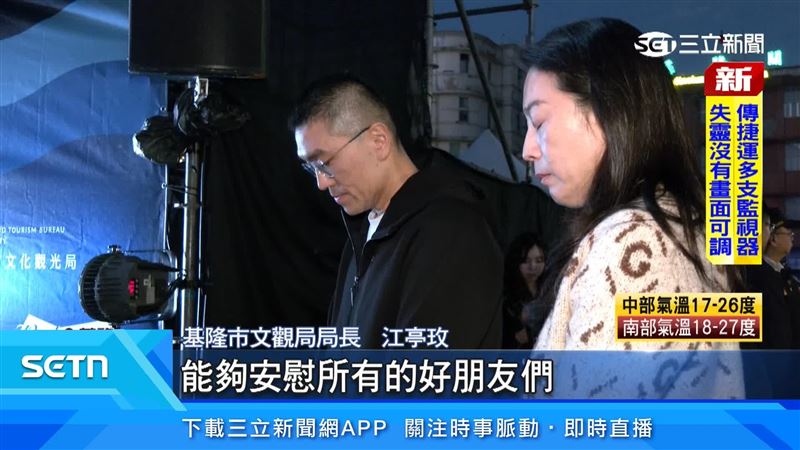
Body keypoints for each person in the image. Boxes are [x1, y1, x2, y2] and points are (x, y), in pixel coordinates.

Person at [522, 18, 743, 398]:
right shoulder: (679, 226)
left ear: (608, 111)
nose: (527, 149)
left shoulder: (633, 243)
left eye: (539, 121)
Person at [290, 74, 503, 349]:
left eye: (324, 162)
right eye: (311, 168)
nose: (321, 183)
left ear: (378, 141)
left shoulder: (451, 231)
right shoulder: (362, 235)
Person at [502, 233, 546, 348]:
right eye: (526, 261)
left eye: (539, 260)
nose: (533, 267)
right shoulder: (508, 297)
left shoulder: (549, 288)